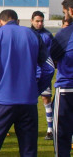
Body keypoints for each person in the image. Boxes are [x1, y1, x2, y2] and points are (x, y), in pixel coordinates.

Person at [0, 9, 54, 156]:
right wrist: (36, 90)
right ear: (17, 21)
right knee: (28, 152)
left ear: (0, 22)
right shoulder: (33, 34)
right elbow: (49, 68)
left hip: (2, 101)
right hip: (28, 103)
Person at [50, 0, 73, 156]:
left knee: (62, 138)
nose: (65, 17)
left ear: (71, 11)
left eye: (65, 13)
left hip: (66, 91)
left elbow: (51, 59)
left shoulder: (65, 34)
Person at [30, 10, 54, 140]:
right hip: (30, 74)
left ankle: (50, 129)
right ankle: (30, 129)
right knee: (29, 102)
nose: (39, 23)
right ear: (32, 21)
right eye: (37, 21)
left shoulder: (48, 35)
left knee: (46, 99)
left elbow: (51, 55)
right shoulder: (28, 34)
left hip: (44, 73)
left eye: (41, 21)